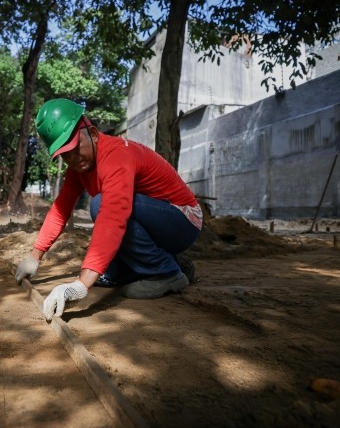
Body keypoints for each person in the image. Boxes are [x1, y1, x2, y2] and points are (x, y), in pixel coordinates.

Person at [15, 98, 202, 321]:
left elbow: (113, 216)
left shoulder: (116, 156)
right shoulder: (78, 169)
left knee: (100, 204)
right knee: (109, 267)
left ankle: (167, 273)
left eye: (74, 148)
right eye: (65, 154)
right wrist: (35, 256)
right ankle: (150, 266)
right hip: (155, 220)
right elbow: (61, 209)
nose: (72, 159)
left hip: (182, 220)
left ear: (92, 133)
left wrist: (81, 285)